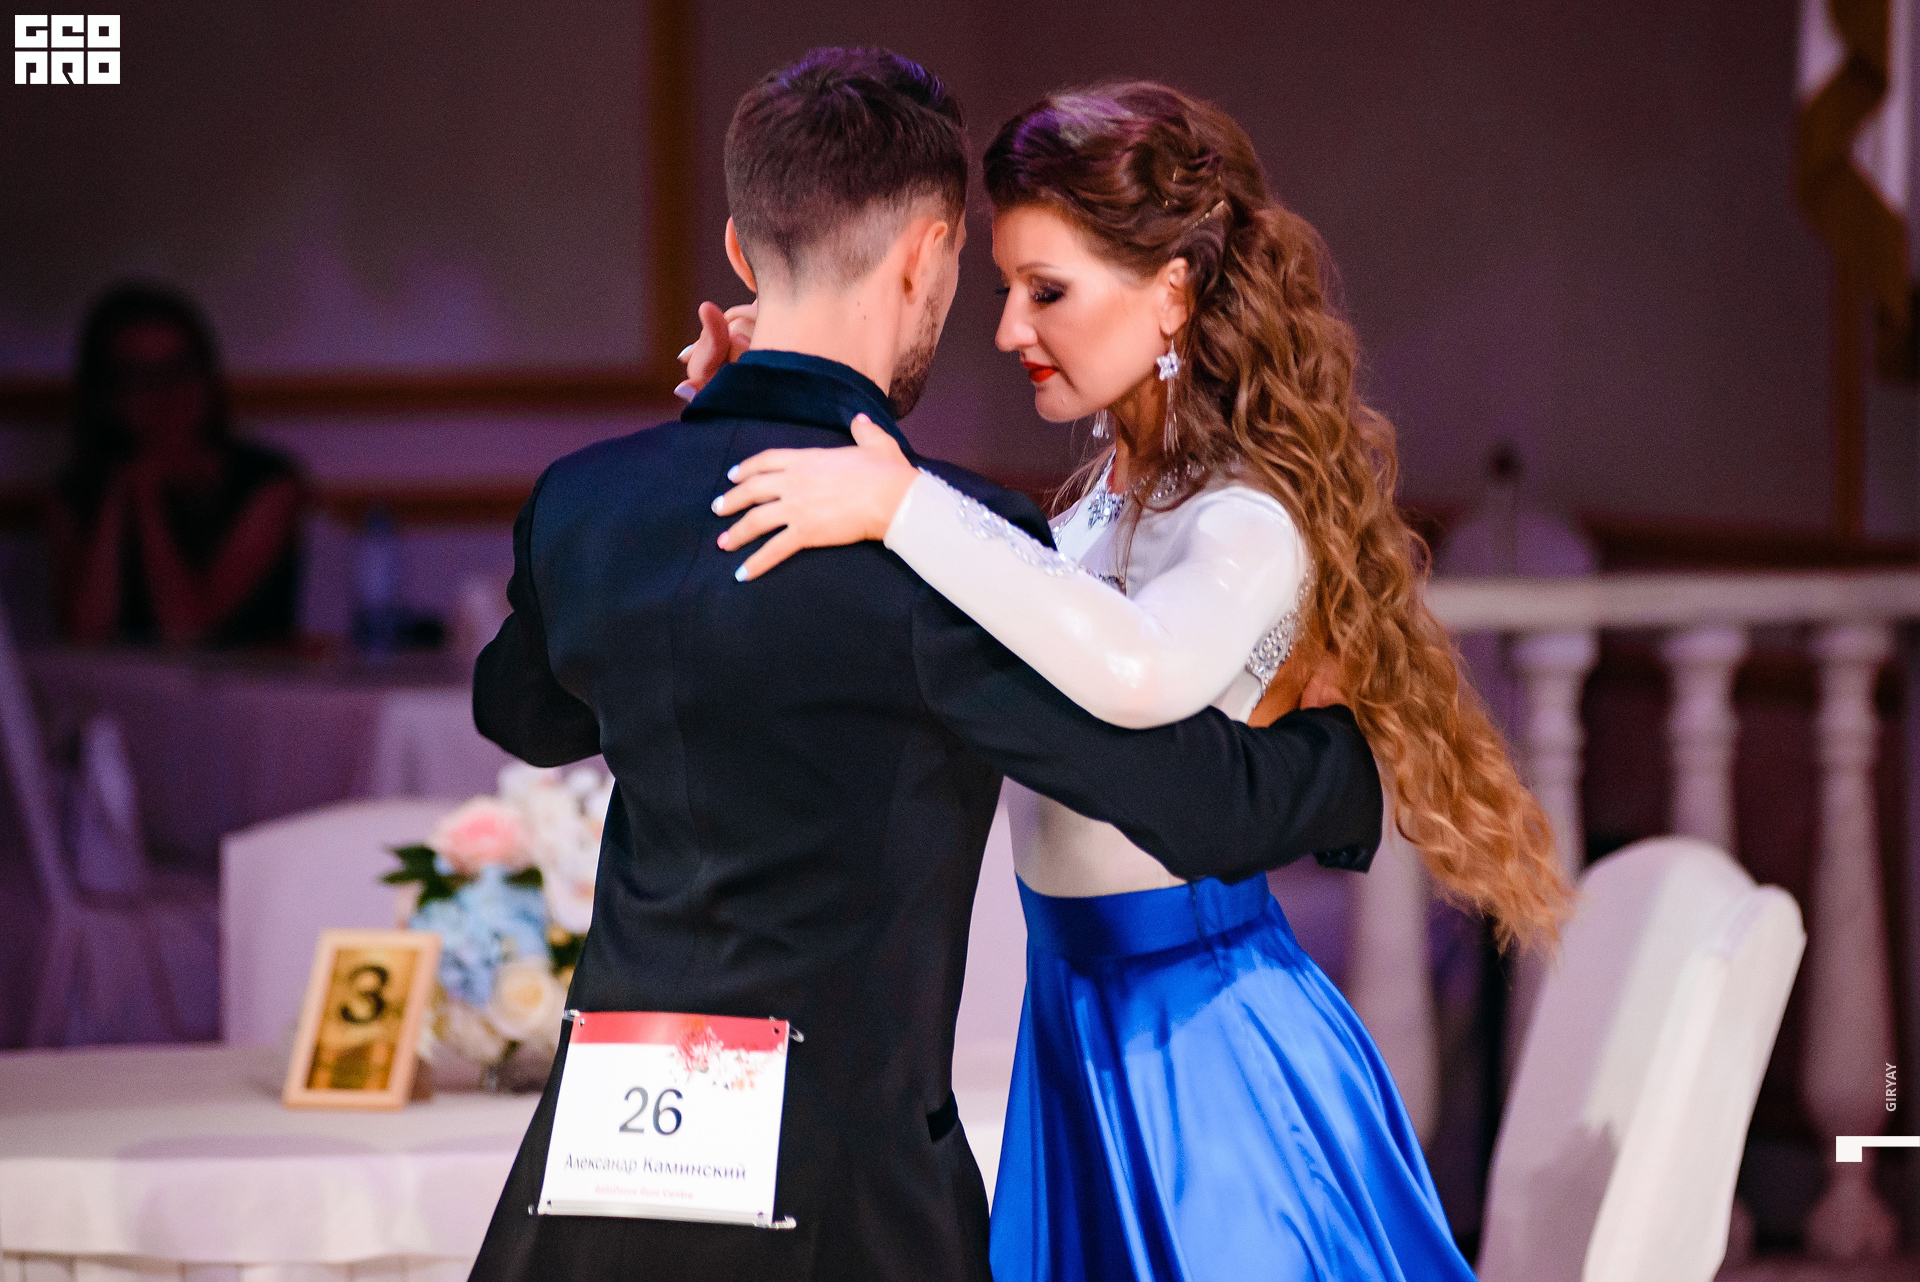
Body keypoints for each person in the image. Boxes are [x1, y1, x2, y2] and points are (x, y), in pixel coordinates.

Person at [467, 50, 1384, 1282]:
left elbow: (520, 713)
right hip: (845, 1205)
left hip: (594, 1194)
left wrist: (685, 473)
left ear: (742, 251)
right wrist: (1347, 761)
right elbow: (1192, 801)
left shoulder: (585, 503)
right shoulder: (948, 544)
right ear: (926, 257)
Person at [694, 82, 1575, 1280]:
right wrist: (757, 395)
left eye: (1046, 291)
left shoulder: (1245, 518)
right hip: (1075, 1016)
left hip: (1199, 1043)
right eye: (1004, 290)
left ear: (1172, 292)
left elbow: (1138, 669)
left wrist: (903, 503)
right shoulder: (1098, 507)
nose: (1009, 329)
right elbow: (979, 620)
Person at [49, 283, 304, 647]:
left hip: (241, 683)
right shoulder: (74, 494)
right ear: (106, 393)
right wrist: (122, 491)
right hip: (118, 685)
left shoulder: (267, 484)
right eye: (139, 376)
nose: (166, 392)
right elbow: (85, 638)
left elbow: (186, 635)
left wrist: (146, 499)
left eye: (181, 368)